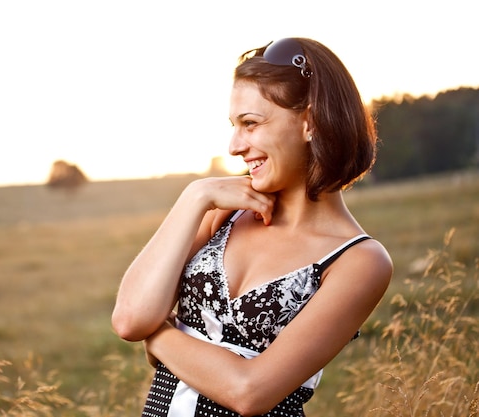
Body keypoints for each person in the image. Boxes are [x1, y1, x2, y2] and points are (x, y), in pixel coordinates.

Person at [111, 37, 393, 417]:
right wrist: (195, 197)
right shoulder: (222, 213)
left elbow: (249, 392)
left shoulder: (359, 260)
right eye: (234, 125)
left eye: (250, 124)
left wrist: (160, 336)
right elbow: (130, 318)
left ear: (310, 123)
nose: (234, 145)